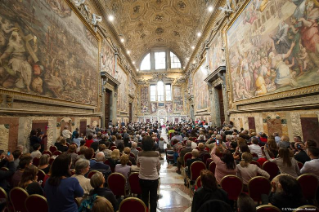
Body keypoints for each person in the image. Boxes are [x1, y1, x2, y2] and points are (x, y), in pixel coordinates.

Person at [137, 136, 161, 212]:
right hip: (153, 178)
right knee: (153, 198)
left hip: (142, 178)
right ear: (152, 144)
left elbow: (138, 165)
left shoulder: (140, 154)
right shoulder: (156, 154)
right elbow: (158, 166)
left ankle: (145, 210)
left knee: (144, 197)